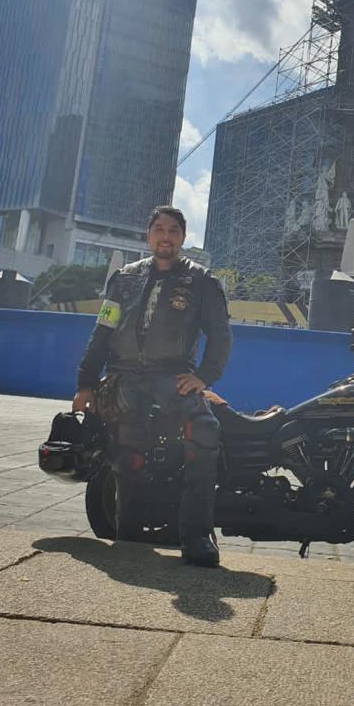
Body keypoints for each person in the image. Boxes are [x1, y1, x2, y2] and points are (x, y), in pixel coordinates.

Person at [72, 205, 231, 567]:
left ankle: (197, 536)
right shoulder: (123, 278)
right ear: (148, 236)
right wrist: (85, 383)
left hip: (172, 376)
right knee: (127, 452)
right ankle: (126, 534)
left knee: (205, 431)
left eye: (173, 230)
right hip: (123, 377)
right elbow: (103, 331)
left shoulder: (202, 281)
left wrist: (204, 377)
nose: (165, 236)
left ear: (183, 237)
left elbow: (221, 337)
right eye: (158, 229)